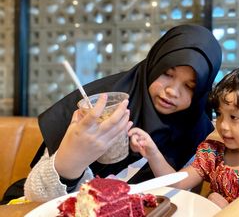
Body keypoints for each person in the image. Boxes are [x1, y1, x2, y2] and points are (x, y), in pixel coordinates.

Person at [23, 24, 222, 202]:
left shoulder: (197, 132)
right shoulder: (101, 103)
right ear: (154, 64)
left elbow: (185, 201)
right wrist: (70, 161)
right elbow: (36, 197)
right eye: (167, 74)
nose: (172, 91)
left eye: (189, 86)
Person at [129, 65, 239, 217]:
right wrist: (152, 153)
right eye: (220, 115)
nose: (223, 126)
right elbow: (178, 183)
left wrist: (229, 211)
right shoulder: (214, 154)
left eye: (234, 117)